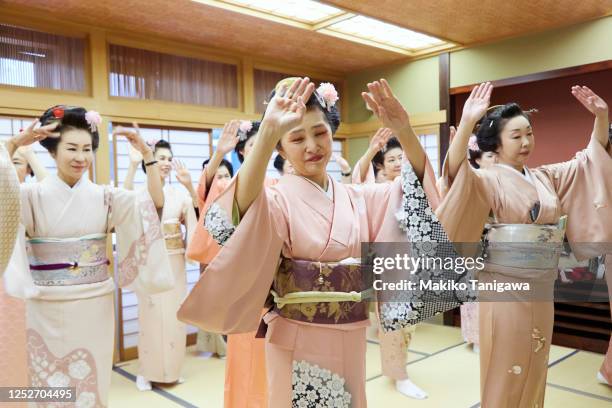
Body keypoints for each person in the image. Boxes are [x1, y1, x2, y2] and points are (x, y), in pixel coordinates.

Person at [178, 78, 439, 407]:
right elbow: (235, 215)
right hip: (295, 335)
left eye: (320, 133)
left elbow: (417, 196)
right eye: (296, 138)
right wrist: (268, 132)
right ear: (280, 148)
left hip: (352, 330)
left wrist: (404, 130)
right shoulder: (275, 198)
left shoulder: (358, 197)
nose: (312, 146)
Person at [436, 83, 611, 407]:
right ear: (496, 144)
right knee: (506, 368)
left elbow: (588, 163)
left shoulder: (544, 177)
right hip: (504, 289)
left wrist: (601, 118)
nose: (526, 142)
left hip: (542, 288)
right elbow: (457, 176)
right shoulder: (487, 178)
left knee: (536, 361)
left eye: (528, 133)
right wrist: (464, 129)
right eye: (516, 136)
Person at [3, 106, 174, 406]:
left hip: (95, 306)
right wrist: (14, 144)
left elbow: (152, 206)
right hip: (45, 305)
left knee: (90, 384)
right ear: (53, 152)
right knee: (48, 384)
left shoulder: (106, 197)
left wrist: (148, 155)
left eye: (86, 148)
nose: (80, 157)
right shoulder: (30, 196)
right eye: (71, 148)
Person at [186, 120, 269, 407]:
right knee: (246, 355)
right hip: (246, 291)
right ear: (243, 153)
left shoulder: (280, 184)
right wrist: (219, 154)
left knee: (277, 359)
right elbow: (206, 198)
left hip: (278, 290)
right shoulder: (230, 185)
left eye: (266, 143)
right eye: (253, 145)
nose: (260, 149)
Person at [353, 126, 428, 399]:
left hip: (416, 262)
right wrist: (372, 149)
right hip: (390, 265)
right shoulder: (379, 189)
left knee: (409, 322)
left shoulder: (415, 187)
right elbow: (357, 182)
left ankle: (399, 367)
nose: (398, 163)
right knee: (394, 322)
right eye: (392, 159)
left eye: (402, 158)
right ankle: (399, 374)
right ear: (381, 165)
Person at [123, 138, 197, 391]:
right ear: (149, 160)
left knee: (175, 316)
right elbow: (122, 206)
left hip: (175, 261)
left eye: (168, 158)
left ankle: (173, 370)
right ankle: (147, 371)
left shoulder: (180, 196)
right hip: (149, 262)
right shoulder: (140, 193)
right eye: (160, 158)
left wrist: (190, 188)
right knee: (151, 317)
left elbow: (194, 222)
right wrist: (133, 166)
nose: (165, 163)